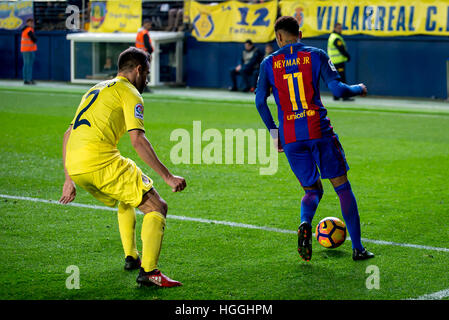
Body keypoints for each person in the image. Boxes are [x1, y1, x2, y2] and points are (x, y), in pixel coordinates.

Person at [59, 47, 186, 287]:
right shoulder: (130, 92)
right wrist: (168, 177)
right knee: (157, 206)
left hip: (76, 166)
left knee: (127, 196)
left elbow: (68, 134)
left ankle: (132, 257)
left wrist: (69, 178)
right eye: (146, 73)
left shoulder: (95, 88)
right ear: (138, 70)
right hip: (99, 161)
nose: (146, 80)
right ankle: (150, 273)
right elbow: (137, 140)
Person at [255, 16, 374, 262]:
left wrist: (275, 133)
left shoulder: (269, 62)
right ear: (300, 34)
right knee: (342, 187)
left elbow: (259, 102)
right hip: (318, 130)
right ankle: (358, 248)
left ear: (278, 37)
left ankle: (305, 222)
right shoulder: (316, 54)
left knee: (312, 190)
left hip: (290, 136)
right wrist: (358, 88)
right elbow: (339, 89)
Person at [327, 22, 352, 101]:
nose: (340, 30)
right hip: (338, 62)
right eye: (339, 28)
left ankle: (336, 96)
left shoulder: (332, 36)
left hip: (333, 62)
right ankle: (345, 96)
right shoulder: (336, 38)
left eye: (341, 28)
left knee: (335, 79)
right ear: (334, 28)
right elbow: (341, 49)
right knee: (342, 79)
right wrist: (347, 56)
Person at [21, 18, 37, 85]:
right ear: (28, 23)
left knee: (26, 65)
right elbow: (34, 39)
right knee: (28, 65)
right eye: (31, 23)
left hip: (26, 50)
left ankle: (26, 79)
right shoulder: (29, 30)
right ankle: (28, 79)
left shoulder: (25, 30)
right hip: (28, 50)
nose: (32, 24)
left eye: (32, 23)